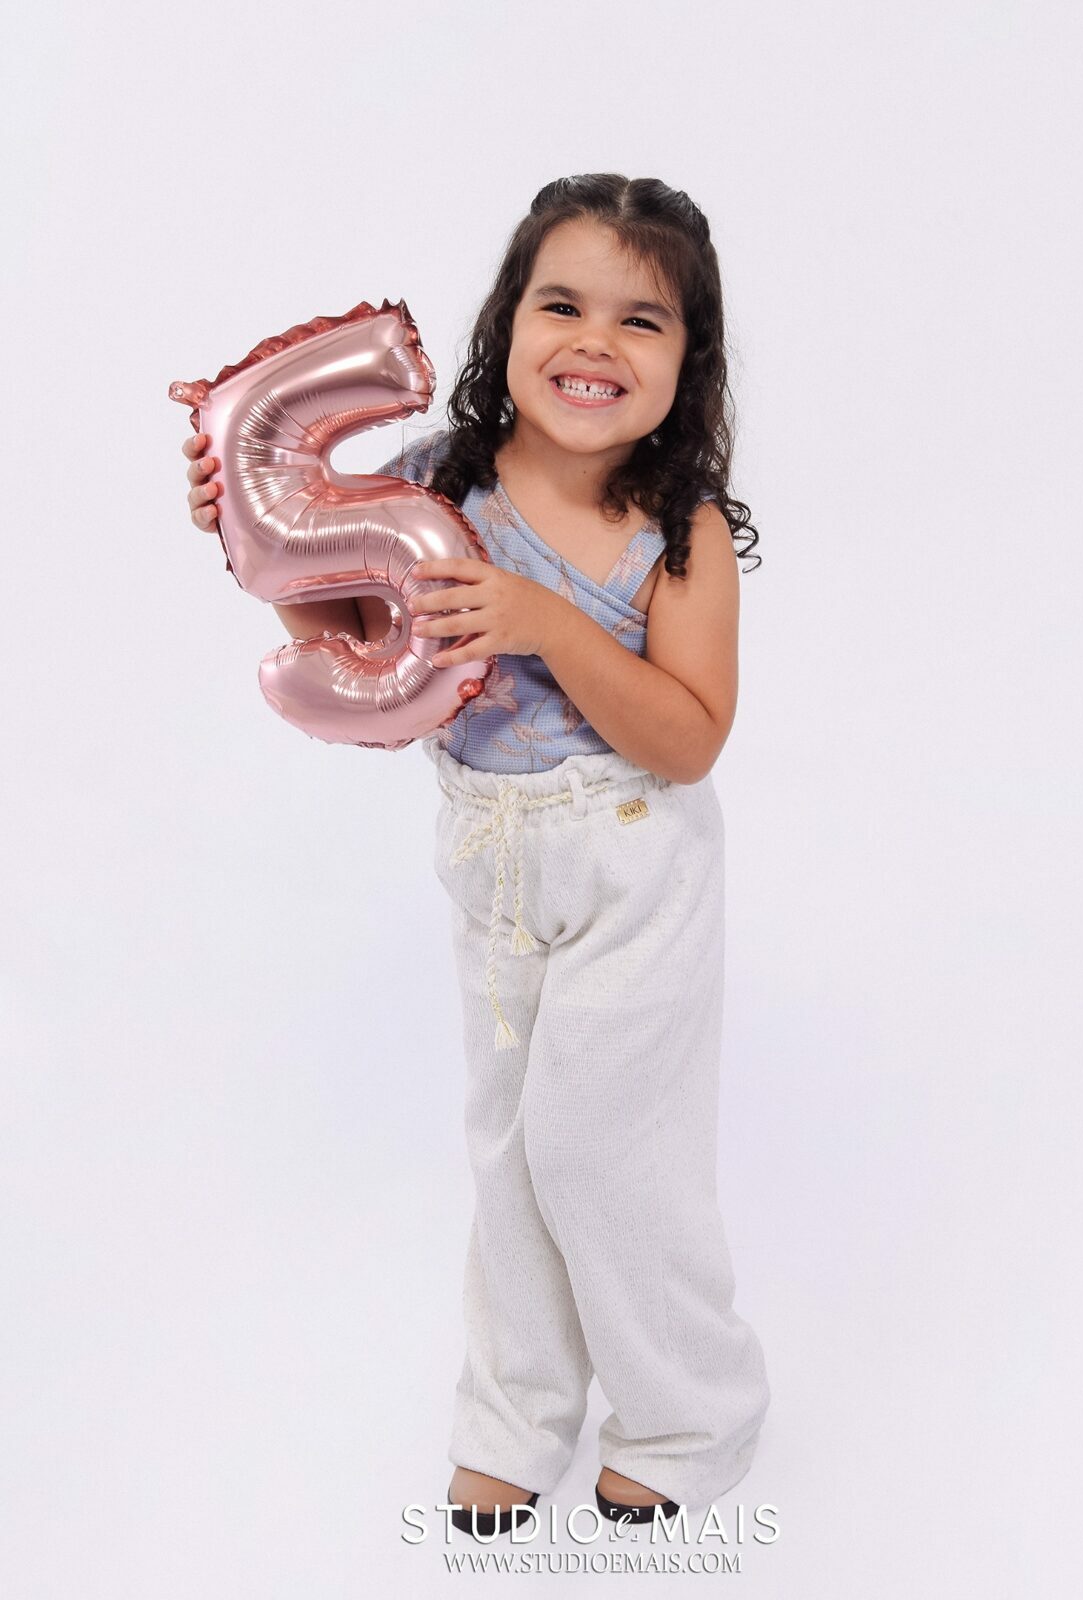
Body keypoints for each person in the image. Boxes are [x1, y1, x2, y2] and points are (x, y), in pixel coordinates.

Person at [183, 172, 769, 1540]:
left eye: (642, 320)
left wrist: (547, 623)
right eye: (563, 305)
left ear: (689, 362)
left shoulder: (677, 529)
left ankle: (692, 1414)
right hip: (492, 860)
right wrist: (247, 520)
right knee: (508, 1147)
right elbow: (344, 618)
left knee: (599, 1147)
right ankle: (515, 1418)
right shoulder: (439, 482)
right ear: (507, 323)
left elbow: (690, 741)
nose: (596, 342)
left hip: (633, 861)